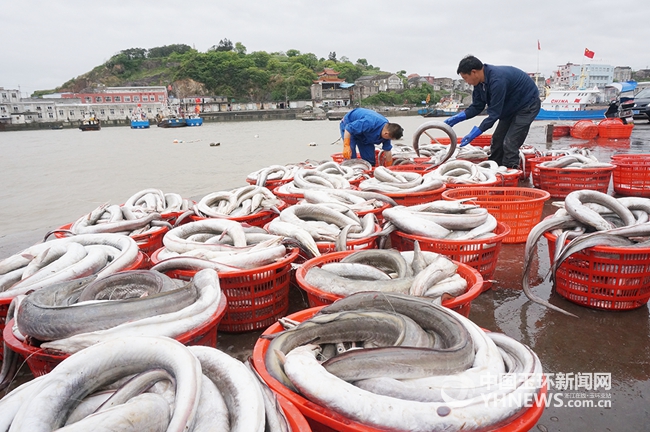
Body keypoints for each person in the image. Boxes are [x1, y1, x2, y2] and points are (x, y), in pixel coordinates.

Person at [444, 55, 541, 169]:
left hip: (527, 105)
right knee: (497, 141)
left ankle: (511, 173)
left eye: (465, 78)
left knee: (509, 143)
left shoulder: (497, 80)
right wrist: (458, 117)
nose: (467, 81)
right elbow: (477, 106)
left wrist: (476, 132)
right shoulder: (479, 84)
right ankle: (494, 168)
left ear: (474, 72)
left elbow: (494, 114)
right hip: (510, 107)